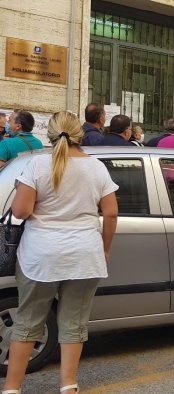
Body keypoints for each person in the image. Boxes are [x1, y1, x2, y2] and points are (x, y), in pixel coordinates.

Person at [3, 111, 118, 394]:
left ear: (49, 135)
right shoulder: (97, 168)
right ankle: (68, 385)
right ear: (79, 134)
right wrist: (104, 249)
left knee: (28, 321)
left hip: (39, 255)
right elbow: (111, 213)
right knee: (74, 324)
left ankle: (12, 388)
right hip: (84, 254)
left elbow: (21, 211)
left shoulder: (37, 165)